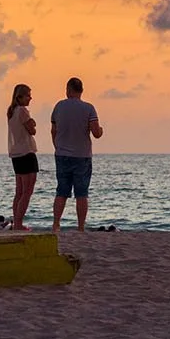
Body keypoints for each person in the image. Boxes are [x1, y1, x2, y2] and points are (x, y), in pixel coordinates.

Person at [50, 77, 103, 232]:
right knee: (81, 193)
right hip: (82, 156)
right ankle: (80, 227)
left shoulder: (59, 106)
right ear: (81, 90)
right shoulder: (88, 108)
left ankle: (56, 224)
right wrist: (101, 130)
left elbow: (54, 131)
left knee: (61, 191)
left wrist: (58, 146)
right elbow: (96, 133)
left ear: (68, 89)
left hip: (62, 154)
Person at [6, 83, 38, 230]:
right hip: (26, 152)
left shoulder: (11, 112)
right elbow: (32, 131)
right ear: (20, 97)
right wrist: (32, 123)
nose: (30, 98)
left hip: (16, 153)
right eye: (28, 95)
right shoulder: (22, 111)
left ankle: (16, 221)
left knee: (19, 190)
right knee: (27, 190)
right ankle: (18, 223)